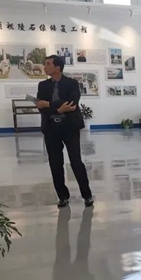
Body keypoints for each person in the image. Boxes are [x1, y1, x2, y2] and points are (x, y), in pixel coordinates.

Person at [37, 55, 93, 208]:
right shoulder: (43, 85)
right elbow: (40, 106)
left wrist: (49, 104)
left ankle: (87, 195)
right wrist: (59, 109)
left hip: (69, 127)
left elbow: (71, 104)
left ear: (57, 68)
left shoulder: (72, 84)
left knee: (76, 162)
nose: (44, 67)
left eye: (48, 64)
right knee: (55, 164)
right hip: (51, 128)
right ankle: (62, 196)